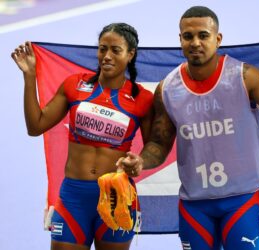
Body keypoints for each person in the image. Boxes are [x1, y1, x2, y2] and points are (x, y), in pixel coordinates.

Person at [118, 6, 259, 250]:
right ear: (180, 39)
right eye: (188, 36)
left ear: (218, 39)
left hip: (241, 201)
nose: (195, 42)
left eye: (203, 35)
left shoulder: (243, 76)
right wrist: (140, 161)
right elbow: (158, 144)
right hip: (195, 206)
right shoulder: (167, 88)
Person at [11, 23, 154, 250]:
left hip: (116, 198)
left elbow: (154, 147)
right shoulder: (75, 85)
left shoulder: (143, 99)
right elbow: (36, 126)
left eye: (115, 50)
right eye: (102, 49)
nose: (106, 56)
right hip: (73, 197)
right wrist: (29, 77)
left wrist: (140, 161)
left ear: (130, 55)